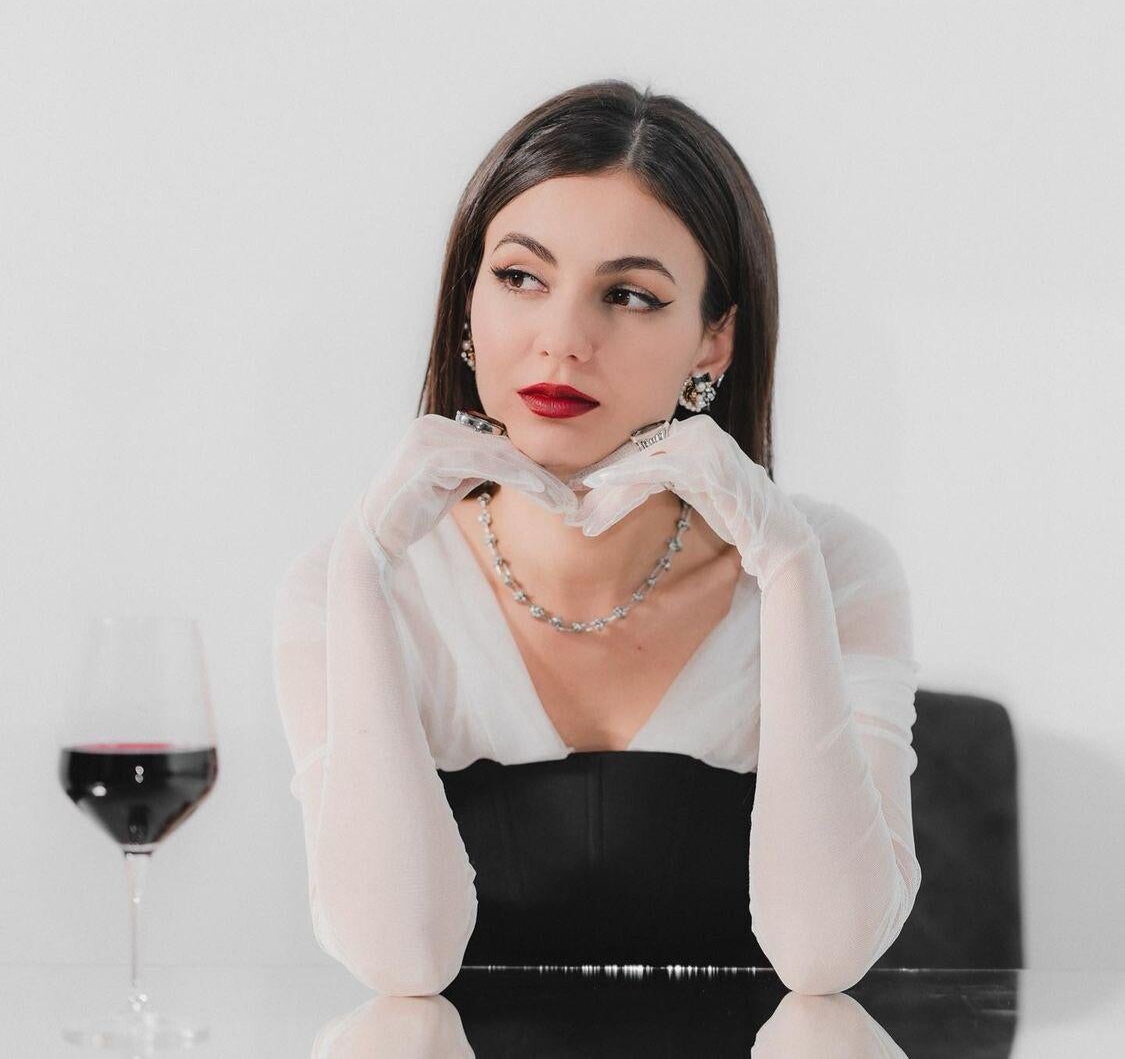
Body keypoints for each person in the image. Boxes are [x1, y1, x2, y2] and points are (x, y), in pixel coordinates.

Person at [272, 79, 922, 998]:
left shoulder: (832, 567)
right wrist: (365, 565)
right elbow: (399, 958)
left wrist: (784, 565)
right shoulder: (348, 582)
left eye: (628, 294)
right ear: (466, 305)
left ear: (713, 342)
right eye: (520, 278)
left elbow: (825, 953)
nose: (563, 339)